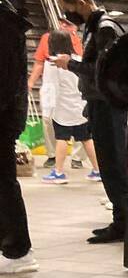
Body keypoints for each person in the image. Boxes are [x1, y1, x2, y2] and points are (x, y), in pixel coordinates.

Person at [53, 0, 128, 244]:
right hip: (100, 103)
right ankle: (119, 219)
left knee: (113, 162)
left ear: (81, 3)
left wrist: (71, 63)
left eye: (68, 9)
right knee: (109, 162)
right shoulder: (93, 28)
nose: (68, 15)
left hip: (108, 104)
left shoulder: (105, 28)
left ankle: (123, 222)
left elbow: (103, 70)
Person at [0, 0, 35, 274]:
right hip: (6, 115)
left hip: (3, 119)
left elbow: (5, 81)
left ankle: (18, 250)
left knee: (3, 183)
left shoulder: (4, 25)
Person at [39, 30, 98, 184]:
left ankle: (58, 172)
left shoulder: (52, 62)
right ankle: (98, 170)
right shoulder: (78, 60)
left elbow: (50, 87)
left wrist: (47, 109)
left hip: (62, 108)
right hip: (80, 106)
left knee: (62, 138)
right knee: (86, 138)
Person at [28, 18, 83, 169]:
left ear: (75, 27)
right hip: (51, 88)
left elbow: (82, 67)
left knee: (80, 125)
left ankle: (77, 158)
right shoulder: (47, 38)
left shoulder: (78, 42)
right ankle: (52, 155)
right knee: (48, 120)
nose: (64, 25)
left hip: (73, 89)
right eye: (62, 22)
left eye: (68, 23)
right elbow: (39, 62)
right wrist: (31, 82)